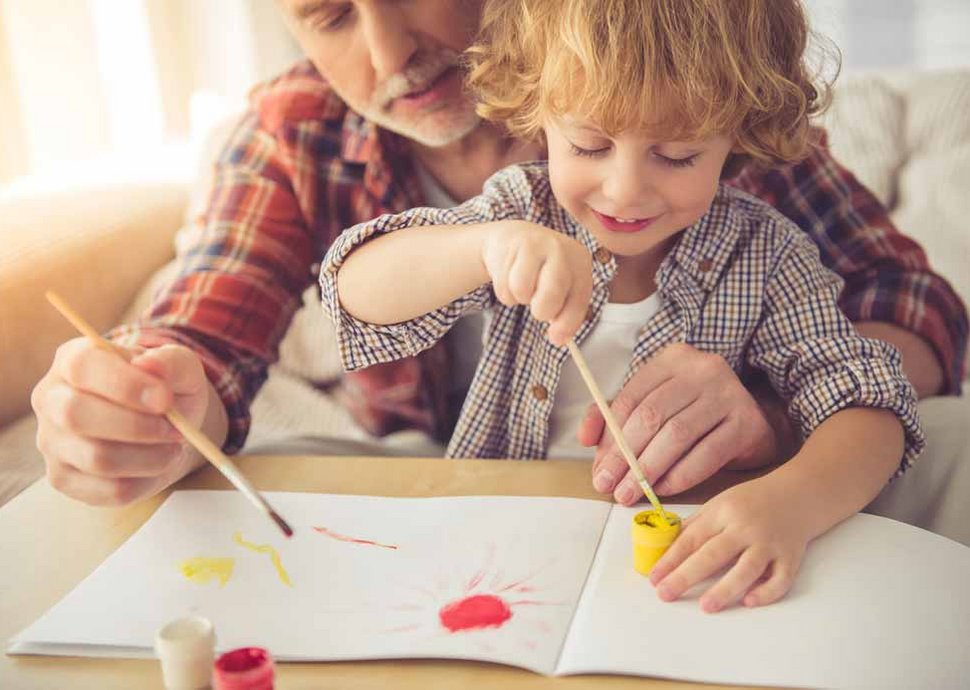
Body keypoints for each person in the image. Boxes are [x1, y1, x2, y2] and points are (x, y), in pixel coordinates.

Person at [29, 0, 965, 526]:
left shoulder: (687, 71)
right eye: (330, 15)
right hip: (452, 483)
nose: (390, 48)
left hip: (684, 503)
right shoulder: (295, 131)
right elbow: (210, 334)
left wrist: (773, 415)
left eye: (676, 156)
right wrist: (147, 396)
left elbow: (906, 313)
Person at [319, 0, 925, 612]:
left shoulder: (769, 255)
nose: (625, 190)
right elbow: (353, 290)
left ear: (740, 132)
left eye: (677, 156)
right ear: (539, 116)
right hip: (504, 549)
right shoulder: (519, 211)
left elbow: (872, 408)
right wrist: (480, 247)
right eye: (588, 144)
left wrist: (792, 503)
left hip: (686, 561)